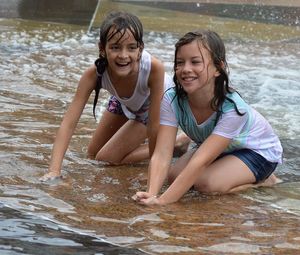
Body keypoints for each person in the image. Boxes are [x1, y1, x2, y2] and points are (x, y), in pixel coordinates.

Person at [133, 30, 283, 205]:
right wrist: (151, 193)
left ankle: (265, 181)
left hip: (256, 152)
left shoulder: (232, 108)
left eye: (195, 62)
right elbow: (162, 153)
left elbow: (200, 162)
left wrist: (163, 201)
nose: (186, 69)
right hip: (219, 149)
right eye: (180, 63)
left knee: (207, 185)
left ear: (218, 68)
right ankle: (229, 171)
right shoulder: (172, 99)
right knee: (174, 176)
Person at [40, 11, 189, 181]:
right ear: (102, 49)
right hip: (125, 101)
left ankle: (174, 144)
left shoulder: (153, 68)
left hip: (158, 105)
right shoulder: (93, 75)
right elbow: (68, 124)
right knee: (92, 154)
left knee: (106, 159)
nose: (124, 55)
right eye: (115, 47)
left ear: (140, 49)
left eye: (131, 47)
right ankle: (171, 146)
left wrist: (154, 171)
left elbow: (154, 127)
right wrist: (54, 170)